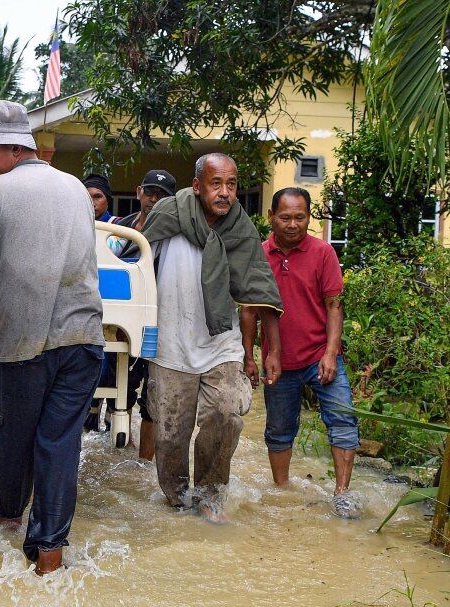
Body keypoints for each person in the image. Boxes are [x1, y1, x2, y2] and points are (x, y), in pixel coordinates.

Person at [0, 100, 104, 575]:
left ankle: (10, 522)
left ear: (10, 148)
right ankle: (49, 555)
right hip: (83, 337)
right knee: (59, 443)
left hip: (23, 344)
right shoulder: (75, 187)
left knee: (14, 436)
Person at [142, 153, 282, 524]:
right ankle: (177, 499)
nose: (225, 193)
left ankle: (210, 493)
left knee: (228, 412)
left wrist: (272, 351)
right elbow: (135, 264)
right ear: (197, 185)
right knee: (171, 434)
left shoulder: (240, 229)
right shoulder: (167, 215)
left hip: (221, 343)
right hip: (170, 344)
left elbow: (260, 289)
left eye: (232, 184)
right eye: (216, 184)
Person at [240, 187, 361, 518]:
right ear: (271, 217)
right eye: (285, 217)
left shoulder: (323, 253)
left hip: (320, 355)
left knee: (343, 419)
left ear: (309, 217)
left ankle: (342, 494)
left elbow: (334, 305)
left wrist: (331, 353)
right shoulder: (258, 255)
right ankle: (281, 492)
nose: (293, 224)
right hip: (278, 362)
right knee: (279, 430)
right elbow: (249, 310)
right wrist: (249, 356)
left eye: (300, 217)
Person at [86, 171, 177, 462]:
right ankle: (118, 455)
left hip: (161, 325)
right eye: (149, 191)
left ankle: (144, 462)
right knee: (120, 386)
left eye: (161, 194)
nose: (153, 199)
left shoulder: (175, 236)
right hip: (120, 325)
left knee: (154, 396)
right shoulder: (121, 229)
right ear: (138, 192)